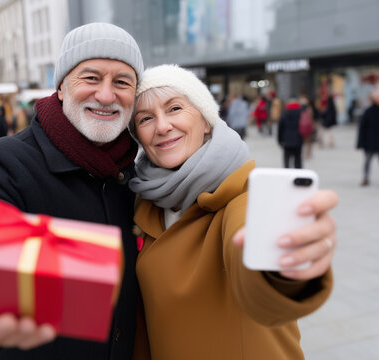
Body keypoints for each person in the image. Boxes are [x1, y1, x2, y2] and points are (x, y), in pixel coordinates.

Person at [0, 22, 144, 360]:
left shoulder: (139, 169)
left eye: (122, 82)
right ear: (60, 87)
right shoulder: (6, 163)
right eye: (90, 78)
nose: (106, 95)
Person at [127, 64, 338, 360]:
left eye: (174, 108)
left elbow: (254, 271)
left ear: (206, 121)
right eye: (146, 118)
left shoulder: (241, 198)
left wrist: (284, 269)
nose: (162, 126)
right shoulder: (143, 203)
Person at [357, 88, 379, 186]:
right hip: (370, 142)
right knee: (367, 162)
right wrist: (360, 143)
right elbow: (362, 129)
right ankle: (365, 177)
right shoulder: (368, 111)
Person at [278, 97, 304, 168]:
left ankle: (287, 174)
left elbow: (280, 127)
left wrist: (279, 140)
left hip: (287, 139)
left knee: (286, 159)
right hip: (298, 139)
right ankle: (298, 176)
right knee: (298, 159)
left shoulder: (285, 112)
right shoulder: (301, 111)